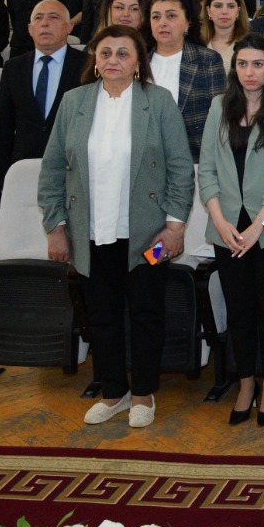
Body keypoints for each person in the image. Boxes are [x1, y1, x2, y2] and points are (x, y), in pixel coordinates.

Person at [38, 25, 194, 429]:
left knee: (146, 312)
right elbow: (52, 169)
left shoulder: (158, 102)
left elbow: (181, 167)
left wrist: (175, 227)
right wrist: (56, 227)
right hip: (90, 234)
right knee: (102, 315)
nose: (113, 60)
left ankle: (142, 392)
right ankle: (113, 391)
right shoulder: (74, 102)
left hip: (150, 236)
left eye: (123, 53)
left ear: (138, 62)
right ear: (95, 59)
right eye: (105, 53)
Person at [200, 34, 264, 427]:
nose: (249, 72)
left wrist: (258, 227)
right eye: (242, 64)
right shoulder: (219, 106)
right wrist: (219, 221)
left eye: (258, 64)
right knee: (239, 311)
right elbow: (207, 170)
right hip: (226, 229)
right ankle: (245, 383)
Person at [0, 0, 85, 211]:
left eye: (53, 17)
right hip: (24, 166)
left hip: (73, 169)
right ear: (30, 29)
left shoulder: (87, 66)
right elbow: (2, 127)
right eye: (38, 18)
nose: (45, 23)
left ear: (69, 27)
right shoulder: (13, 68)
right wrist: (1, 178)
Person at [147, 0, 226, 161]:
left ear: (188, 23)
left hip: (194, 159)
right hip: (146, 160)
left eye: (171, 16)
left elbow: (220, 119)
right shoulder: (139, 63)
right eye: (156, 17)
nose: (162, 23)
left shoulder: (207, 60)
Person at [200, 0, 250, 69]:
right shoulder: (197, 42)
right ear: (208, 11)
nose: (224, 11)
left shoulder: (249, 44)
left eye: (231, 6)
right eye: (218, 6)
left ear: (238, 12)